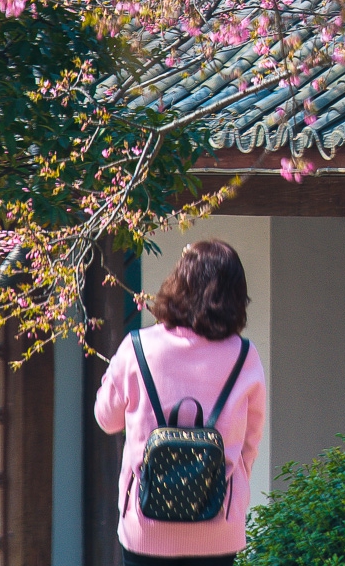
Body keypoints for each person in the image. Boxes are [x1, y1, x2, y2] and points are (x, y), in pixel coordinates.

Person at [95, 239, 266, 565]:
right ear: (235, 296)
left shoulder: (138, 347)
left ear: (178, 284)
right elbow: (249, 443)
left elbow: (107, 419)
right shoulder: (245, 356)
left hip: (146, 524)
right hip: (218, 524)